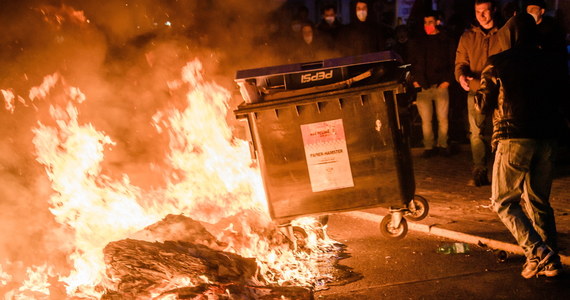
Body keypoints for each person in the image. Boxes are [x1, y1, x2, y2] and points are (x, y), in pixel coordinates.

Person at [475, 12, 567, 279]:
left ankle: (538, 251)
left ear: (509, 35)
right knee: (539, 202)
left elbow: (483, 105)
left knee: (503, 201)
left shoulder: (498, 63)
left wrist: (477, 92)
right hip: (547, 139)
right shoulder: (550, 61)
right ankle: (551, 262)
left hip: (513, 137)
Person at [454, 0, 503, 186]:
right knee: (476, 132)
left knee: (501, 131)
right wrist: (461, 77)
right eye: (478, 11)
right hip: (475, 90)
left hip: (500, 91)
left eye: (485, 11)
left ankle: (501, 171)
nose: (481, 15)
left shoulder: (503, 34)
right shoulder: (468, 37)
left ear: (493, 11)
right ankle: (480, 170)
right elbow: (461, 62)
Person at [408, 11, 455, 158]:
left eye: (430, 22)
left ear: (437, 22)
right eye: (425, 22)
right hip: (424, 85)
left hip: (441, 84)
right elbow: (413, 62)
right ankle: (429, 146)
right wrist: (415, 80)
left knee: (442, 119)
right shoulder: (419, 41)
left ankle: (442, 145)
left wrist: (447, 80)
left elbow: (453, 60)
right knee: (426, 120)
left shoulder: (445, 40)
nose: (427, 25)